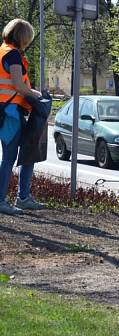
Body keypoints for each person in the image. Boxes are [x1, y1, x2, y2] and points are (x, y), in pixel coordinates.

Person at [0, 18, 44, 215]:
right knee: (10, 156)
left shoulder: (2, 50)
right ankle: (4, 200)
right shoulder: (14, 56)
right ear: (23, 37)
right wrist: (37, 95)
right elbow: (18, 85)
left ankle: (23, 197)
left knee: (28, 150)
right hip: (10, 112)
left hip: (7, 110)